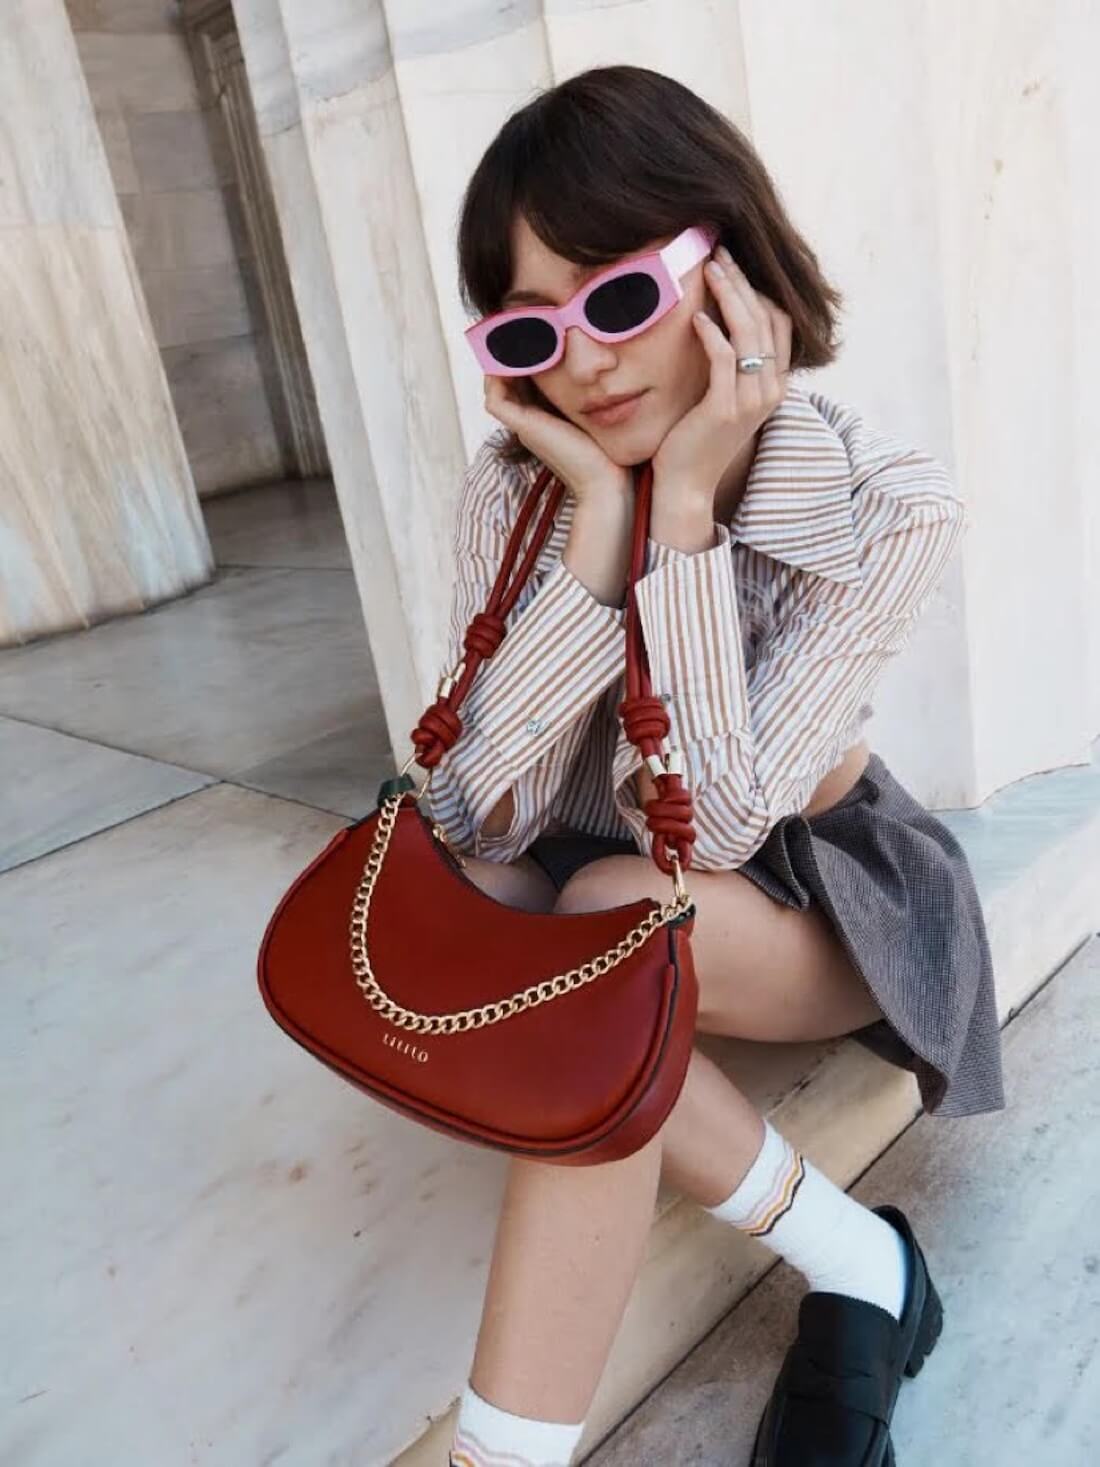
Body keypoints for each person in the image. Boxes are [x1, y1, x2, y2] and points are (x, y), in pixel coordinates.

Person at [425, 64, 1005, 1467]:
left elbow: (721, 829)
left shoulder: (886, 503)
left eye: (621, 294)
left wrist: (680, 512)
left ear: (730, 270)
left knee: (614, 921)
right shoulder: (516, 491)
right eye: (534, 325)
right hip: (603, 878)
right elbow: (475, 810)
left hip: (819, 891)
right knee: (506, 901)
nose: (586, 359)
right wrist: (596, 526)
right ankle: (864, 1261)